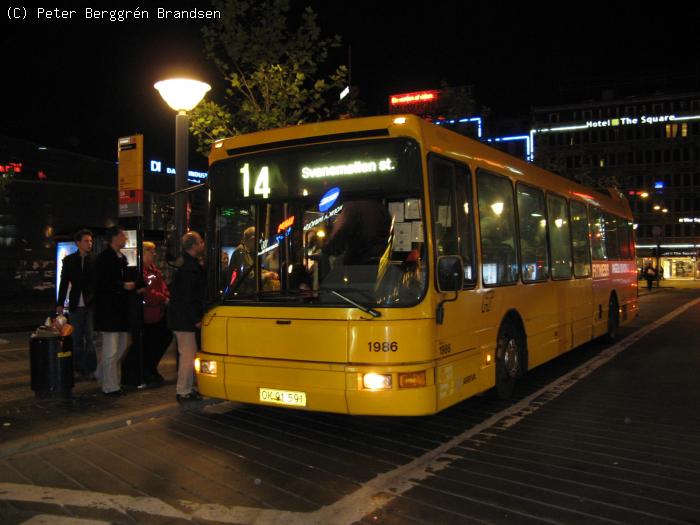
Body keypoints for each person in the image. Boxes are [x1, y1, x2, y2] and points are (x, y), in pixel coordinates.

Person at [121, 242, 172, 388]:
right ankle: (143, 371)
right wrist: (163, 298)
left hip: (157, 313)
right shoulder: (142, 272)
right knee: (149, 342)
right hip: (148, 314)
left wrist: (165, 296)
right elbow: (148, 292)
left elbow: (162, 287)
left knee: (160, 339)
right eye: (152, 251)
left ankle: (149, 368)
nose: (154, 254)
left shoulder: (154, 270)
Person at [94, 227, 136, 396]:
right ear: (113, 238)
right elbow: (102, 283)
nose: (125, 238)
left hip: (119, 311)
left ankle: (102, 374)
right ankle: (110, 386)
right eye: (122, 236)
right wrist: (122, 286)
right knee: (111, 350)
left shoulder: (122, 258)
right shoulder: (104, 259)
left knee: (122, 346)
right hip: (108, 311)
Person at [167, 231, 206, 402]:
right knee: (188, 355)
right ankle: (183, 390)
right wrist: (196, 318)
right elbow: (189, 297)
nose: (203, 244)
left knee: (188, 355)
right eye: (200, 242)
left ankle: (187, 388)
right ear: (194, 246)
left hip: (182, 317)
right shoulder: (189, 268)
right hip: (184, 319)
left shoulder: (186, 265)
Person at [56, 229, 97, 379]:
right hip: (75, 304)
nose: (89, 244)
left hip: (91, 304)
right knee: (76, 338)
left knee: (91, 338)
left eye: (91, 241)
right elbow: (64, 282)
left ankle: (91, 369)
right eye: (86, 241)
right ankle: (79, 369)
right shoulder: (69, 260)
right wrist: (60, 303)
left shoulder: (94, 260)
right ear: (78, 243)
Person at [322, 199, 392, 265]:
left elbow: (339, 231)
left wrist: (327, 249)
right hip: (381, 259)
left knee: (336, 263)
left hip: (359, 261)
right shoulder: (381, 208)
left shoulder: (352, 206)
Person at [225, 227, 278, 296]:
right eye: (259, 241)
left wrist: (268, 273)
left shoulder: (249, 252)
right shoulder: (241, 251)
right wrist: (266, 275)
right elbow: (247, 275)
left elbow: (253, 269)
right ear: (252, 240)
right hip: (241, 296)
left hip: (246, 294)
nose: (260, 243)